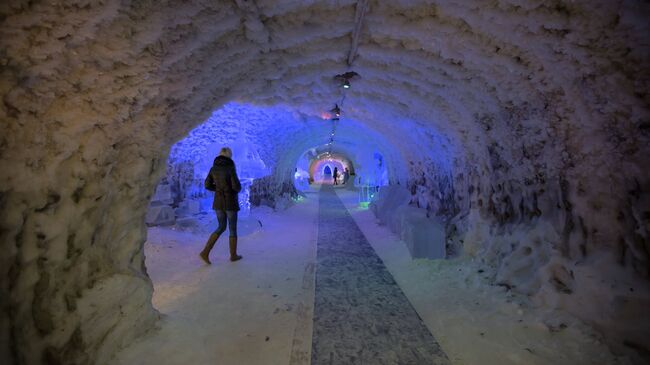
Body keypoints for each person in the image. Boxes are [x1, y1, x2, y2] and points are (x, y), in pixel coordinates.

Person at [199, 147, 243, 264]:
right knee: (232, 229)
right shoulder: (230, 168)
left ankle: (205, 252)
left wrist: (218, 189)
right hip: (230, 202)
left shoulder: (213, 169)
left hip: (218, 202)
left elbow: (207, 185)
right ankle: (233, 256)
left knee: (221, 227)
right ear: (229, 156)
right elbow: (236, 187)